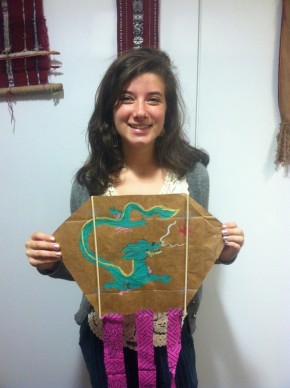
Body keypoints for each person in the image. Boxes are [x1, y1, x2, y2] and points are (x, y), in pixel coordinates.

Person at [25, 47, 244, 388]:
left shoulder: (193, 176)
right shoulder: (90, 183)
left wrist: (225, 251)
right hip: (106, 336)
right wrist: (50, 262)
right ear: (110, 108)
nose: (140, 111)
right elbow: (88, 269)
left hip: (170, 335)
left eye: (153, 99)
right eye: (127, 98)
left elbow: (188, 256)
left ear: (168, 110)